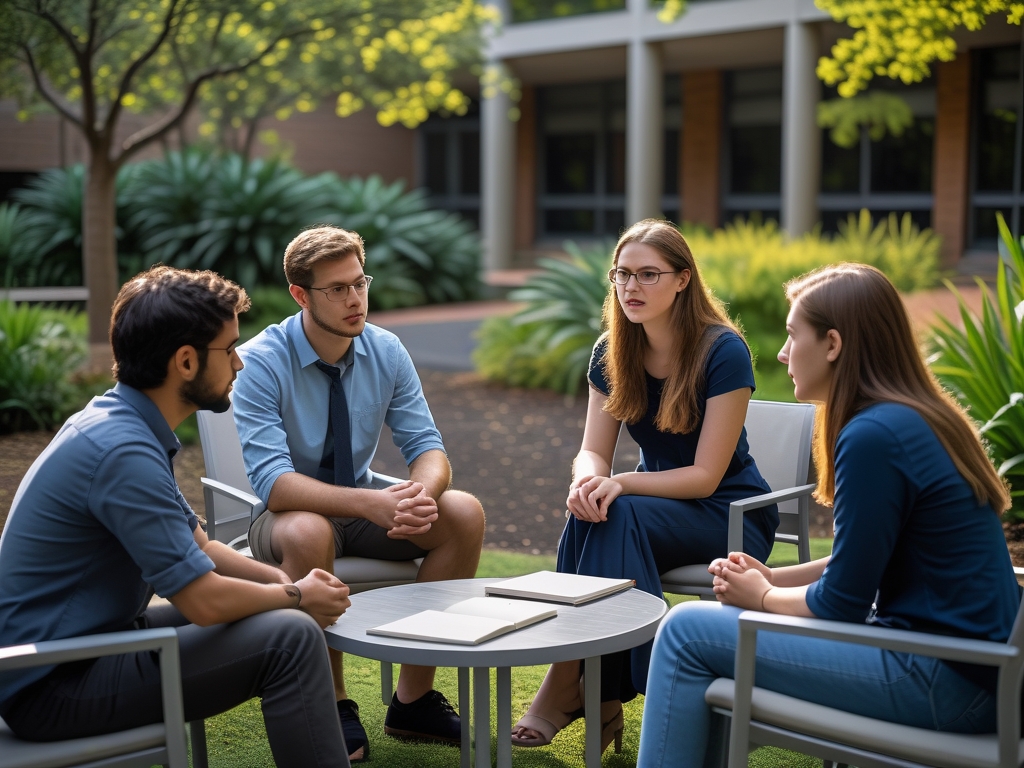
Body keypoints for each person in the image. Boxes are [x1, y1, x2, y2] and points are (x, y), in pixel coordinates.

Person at [636, 262, 1021, 767]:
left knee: (686, 631)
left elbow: (840, 602)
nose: (781, 352)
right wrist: (773, 576)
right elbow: (861, 560)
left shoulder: (873, 437)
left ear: (833, 345)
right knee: (715, 630)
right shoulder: (912, 417)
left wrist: (767, 595)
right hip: (975, 676)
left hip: (943, 682)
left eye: (794, 335)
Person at [0, 267, 353, 767]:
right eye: (228, 349)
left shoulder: (123, 422)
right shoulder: (121, 451)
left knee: (276, 612)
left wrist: (281, 584)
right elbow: (204, 601)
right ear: (186, 361)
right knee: (289, 637)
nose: (239, 363)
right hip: (51, 683)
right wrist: (296, 596)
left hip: (93, 644)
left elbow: (203, 548)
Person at [511, 219, 779, 752]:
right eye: (622, 274)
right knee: (594, 509)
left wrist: (622, 483)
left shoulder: (722, 351)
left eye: (648, 275)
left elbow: (706, 476)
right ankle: (606, 694)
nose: (631, 287)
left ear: (683, 280)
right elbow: (593, 449)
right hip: (655, 510)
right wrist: (587, 480)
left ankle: (574, 683)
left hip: (729, 513)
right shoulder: (612, 351)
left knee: (619, 508)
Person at [233, 225, 486, 760]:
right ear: (301, 295)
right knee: (307, 526)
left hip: (363, 507)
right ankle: (331, 701)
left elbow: (428, 446)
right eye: (337, 289)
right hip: (282, 520)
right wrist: (373, 502)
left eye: (359, 283)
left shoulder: (386, 349)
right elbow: (276, 486)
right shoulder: (260, 361)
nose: (355, 300)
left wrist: (419, 494)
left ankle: (413, 701)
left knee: (462, 511)